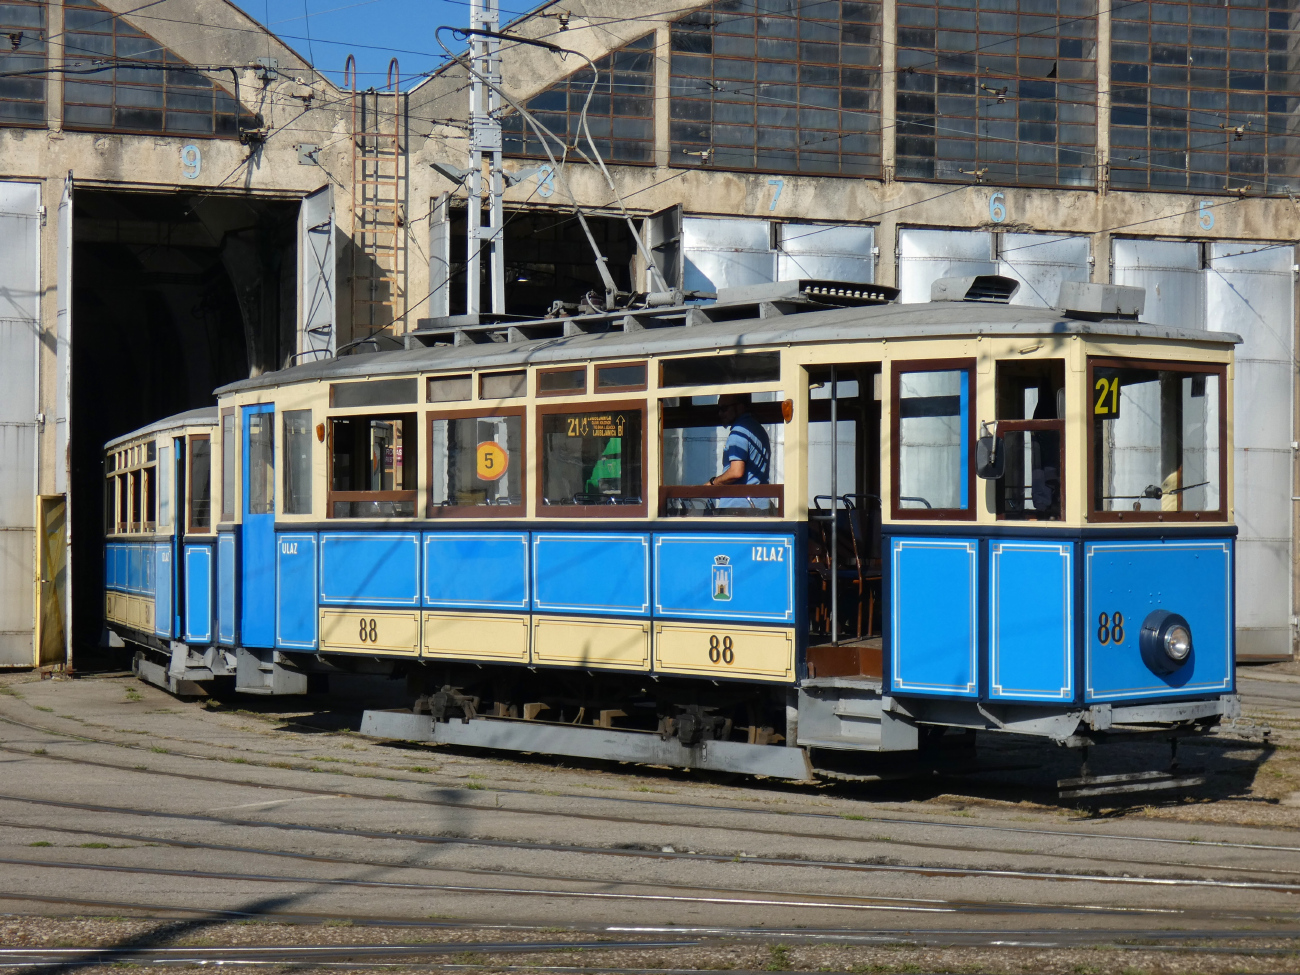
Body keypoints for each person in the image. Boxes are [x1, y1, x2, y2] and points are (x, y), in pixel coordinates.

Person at [706, 394, 771, 508]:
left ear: (740, 407)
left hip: (738, 507)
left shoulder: (739, 432)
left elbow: (736, 472)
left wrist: (713, 483)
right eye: (719, 409)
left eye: (724, 408)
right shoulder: (757, 428)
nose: (720, 413)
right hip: (759, 505)